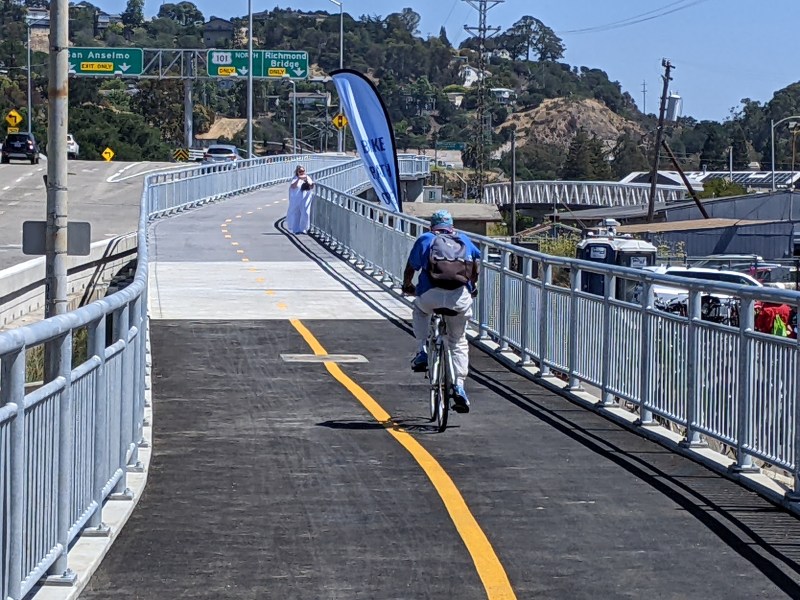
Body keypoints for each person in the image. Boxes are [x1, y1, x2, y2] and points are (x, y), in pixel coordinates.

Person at [402, 210, 480, 412]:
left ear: (432, 227)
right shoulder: (464, 240)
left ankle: (422, 350)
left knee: (420, 310)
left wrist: (407, 285)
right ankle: (460, 386)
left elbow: (411, 268)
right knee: (458, 340)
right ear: (452, 227)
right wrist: (473, 287)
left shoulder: (426, 239)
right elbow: (476, 266)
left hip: (430, 295)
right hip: (459, 298)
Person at [286, 165, 315, 234]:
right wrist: (299, 179)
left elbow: (311, 186)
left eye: (303, 171)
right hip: (296, 199)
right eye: (300, 171)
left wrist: (309, 183)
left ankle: (304, 228)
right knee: (296, 214)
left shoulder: (307, 177)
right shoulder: (295, 178)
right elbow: (293, 186)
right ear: (297, 172)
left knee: (305, 213)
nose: (302, 172)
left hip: (305, 198)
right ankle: (296, 229)